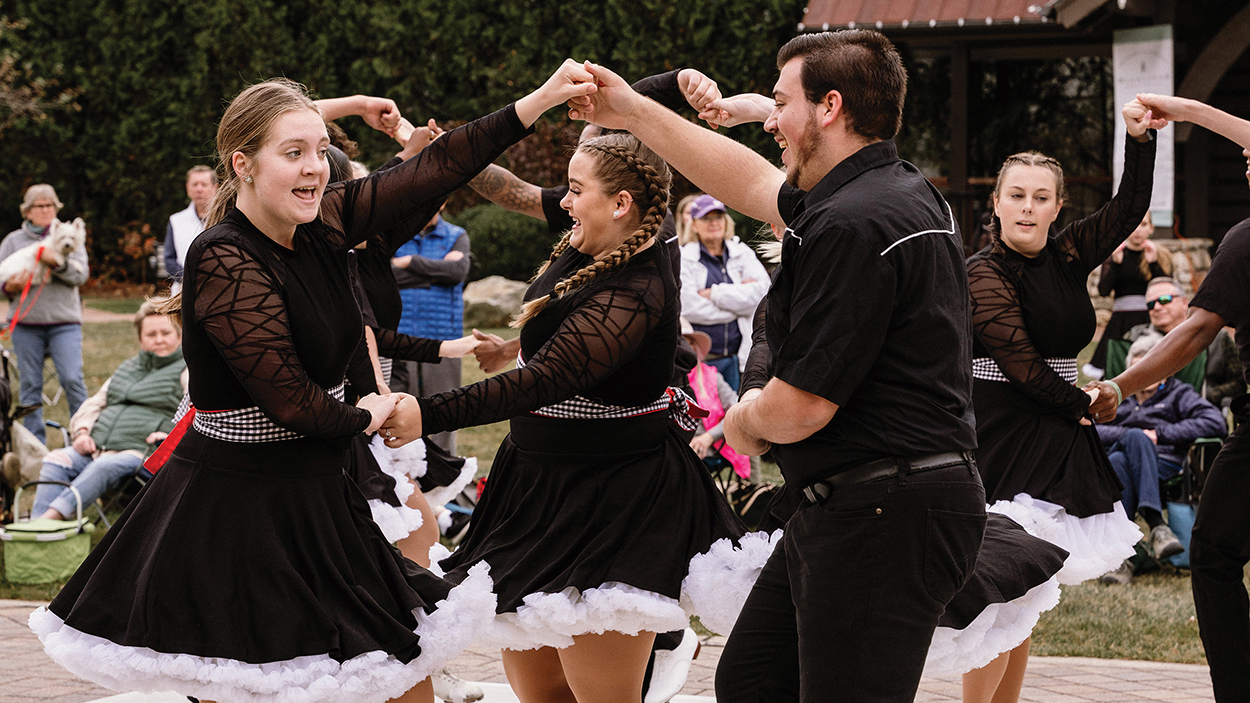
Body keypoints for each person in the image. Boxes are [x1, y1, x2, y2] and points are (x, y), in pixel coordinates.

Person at [30, 66, 601, 703]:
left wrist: (542, 100)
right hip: (234, 509)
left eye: (320, 152)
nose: (315, 167)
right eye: (293, 153)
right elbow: (293, 403)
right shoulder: (223, 257)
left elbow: (442, 164)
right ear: (242, 164)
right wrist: (373, 415)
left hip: (319, 492)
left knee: (403, 681)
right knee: (257, 684)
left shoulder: (326, 223)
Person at [570, 31, 987, 701]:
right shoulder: (889, 189)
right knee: (754, 679)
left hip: (888, 510)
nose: (769, 118)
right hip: (853, 502)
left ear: (829, 106)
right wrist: (633, 111)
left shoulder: (854, 223)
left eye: (781, 101)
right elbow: (751, 181)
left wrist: (742, 420)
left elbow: (800, 407)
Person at [380, 131, 768, 703]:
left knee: (602, 696)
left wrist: (428, 413)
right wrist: (446, 148)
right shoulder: (584, 244)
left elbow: (549, 380)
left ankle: (663, 647)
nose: (563, 200)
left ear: (621, 203)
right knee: (540, 690)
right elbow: (568, 343)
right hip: (534, 487)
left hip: (610, 497)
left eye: (575, 189)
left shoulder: (638, 285)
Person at [963, 94, 1164, 594]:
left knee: (1030, 594)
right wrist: (1083, 402)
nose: (1027, 207)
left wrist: (1138, 140)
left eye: (1040, 197)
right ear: (997, 202)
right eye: (1016, 195)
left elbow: (1127, 209)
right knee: (996, 586)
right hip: (1001, 427)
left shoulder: (1069, 254)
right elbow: (1021, 365)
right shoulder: (982, 273)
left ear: (1057, 206)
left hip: (1055, 422)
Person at [1102, 92, 1250, 703]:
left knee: (1212, 554)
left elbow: (1191, 333)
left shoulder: (1245, 241)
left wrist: (1114, 385)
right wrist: (1185, 112)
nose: (1245, 153)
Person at [31, 301, 186, 521]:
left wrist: (171, 438)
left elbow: (195, 413)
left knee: (104, 466)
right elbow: (94, 404)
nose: (159, 339)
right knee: (57, 458)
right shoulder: (127, 369)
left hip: (142, 452)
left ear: (179, 337)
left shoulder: (186, 371)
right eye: (151, 334)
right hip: (98, 447)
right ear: (141, 339)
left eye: (165, 333)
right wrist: (83, 432)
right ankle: (34, 535)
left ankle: (48, 521)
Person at [1096, 333, 1226, 584]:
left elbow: (1214, 422)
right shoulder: (1119, 400)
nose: (1146, 376)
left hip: (1165, 463)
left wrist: (1159, 434)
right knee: (1125, 454)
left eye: (1152, 369)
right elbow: (1091, 426)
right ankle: (1157, 526)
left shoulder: (1179, 394)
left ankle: (1120, 560)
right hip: (1120, 461)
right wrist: (1129, 434)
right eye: (1139, 370)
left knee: (1121, 461)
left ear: (1165, 370)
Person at [1, 184, 90, 444]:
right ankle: (34, 444)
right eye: (38, 206)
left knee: (72, 379)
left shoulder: (70, 234)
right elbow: (1, 276)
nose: (45, 210)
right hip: (26, 324)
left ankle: (82, 436)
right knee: (29, 386)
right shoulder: (13, 241)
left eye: (49, 205)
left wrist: (56, 264)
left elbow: (81, 275)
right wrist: (9, 287)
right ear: (27, 211)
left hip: (64, 322)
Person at [391, 207, 470, 453]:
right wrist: (435, 273)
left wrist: (409, 263)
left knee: (445, 412)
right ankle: (404, 480)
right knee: (399, 415)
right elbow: (384, 277)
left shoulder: (457, 235)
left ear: (444, 203)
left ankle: (444, 482)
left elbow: (457, 273)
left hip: (444, 337)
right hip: (400, 337)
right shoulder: (395, 235)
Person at [678, 194, 768, 391]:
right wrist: (740, 308)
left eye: (718, 217)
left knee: (737, 410)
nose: (714, 223)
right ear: (693, 225)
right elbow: (689, 306)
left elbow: (763, 294)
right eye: (706, 218)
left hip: (739, 357)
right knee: (710, 418)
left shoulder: (742, 252)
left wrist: (715, 294)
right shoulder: (685, 257)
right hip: (703, 361)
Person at [1085, 212, 1169, 379]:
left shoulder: (1158, 254)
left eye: (1143, 224)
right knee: (1113, 369)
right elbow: (1103, 290)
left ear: (1151, 228)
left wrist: (1153, 264)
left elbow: (1166, 290)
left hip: (1149, 319)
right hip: (1120, 322)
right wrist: (1115, 264)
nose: (1137, 229)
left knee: (1150, 368)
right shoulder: (1116, 254)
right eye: (1133, 224)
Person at [1118, 277, 1237, 394]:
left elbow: (1237, 383)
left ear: (1184, 302)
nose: (1157, 307)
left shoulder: (1217, 337)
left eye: (1164, 300)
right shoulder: (1132, 338)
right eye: (1151, 304)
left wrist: (1207, 396)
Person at [162, 165, 219, 293]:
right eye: (194, 184)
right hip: (183, 292)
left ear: (215, 188)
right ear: (187, 188)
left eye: (204, 184)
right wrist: (190, 279)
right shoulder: (176, 220)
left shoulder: (225, 218)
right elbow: (169, 258)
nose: (199, 189)